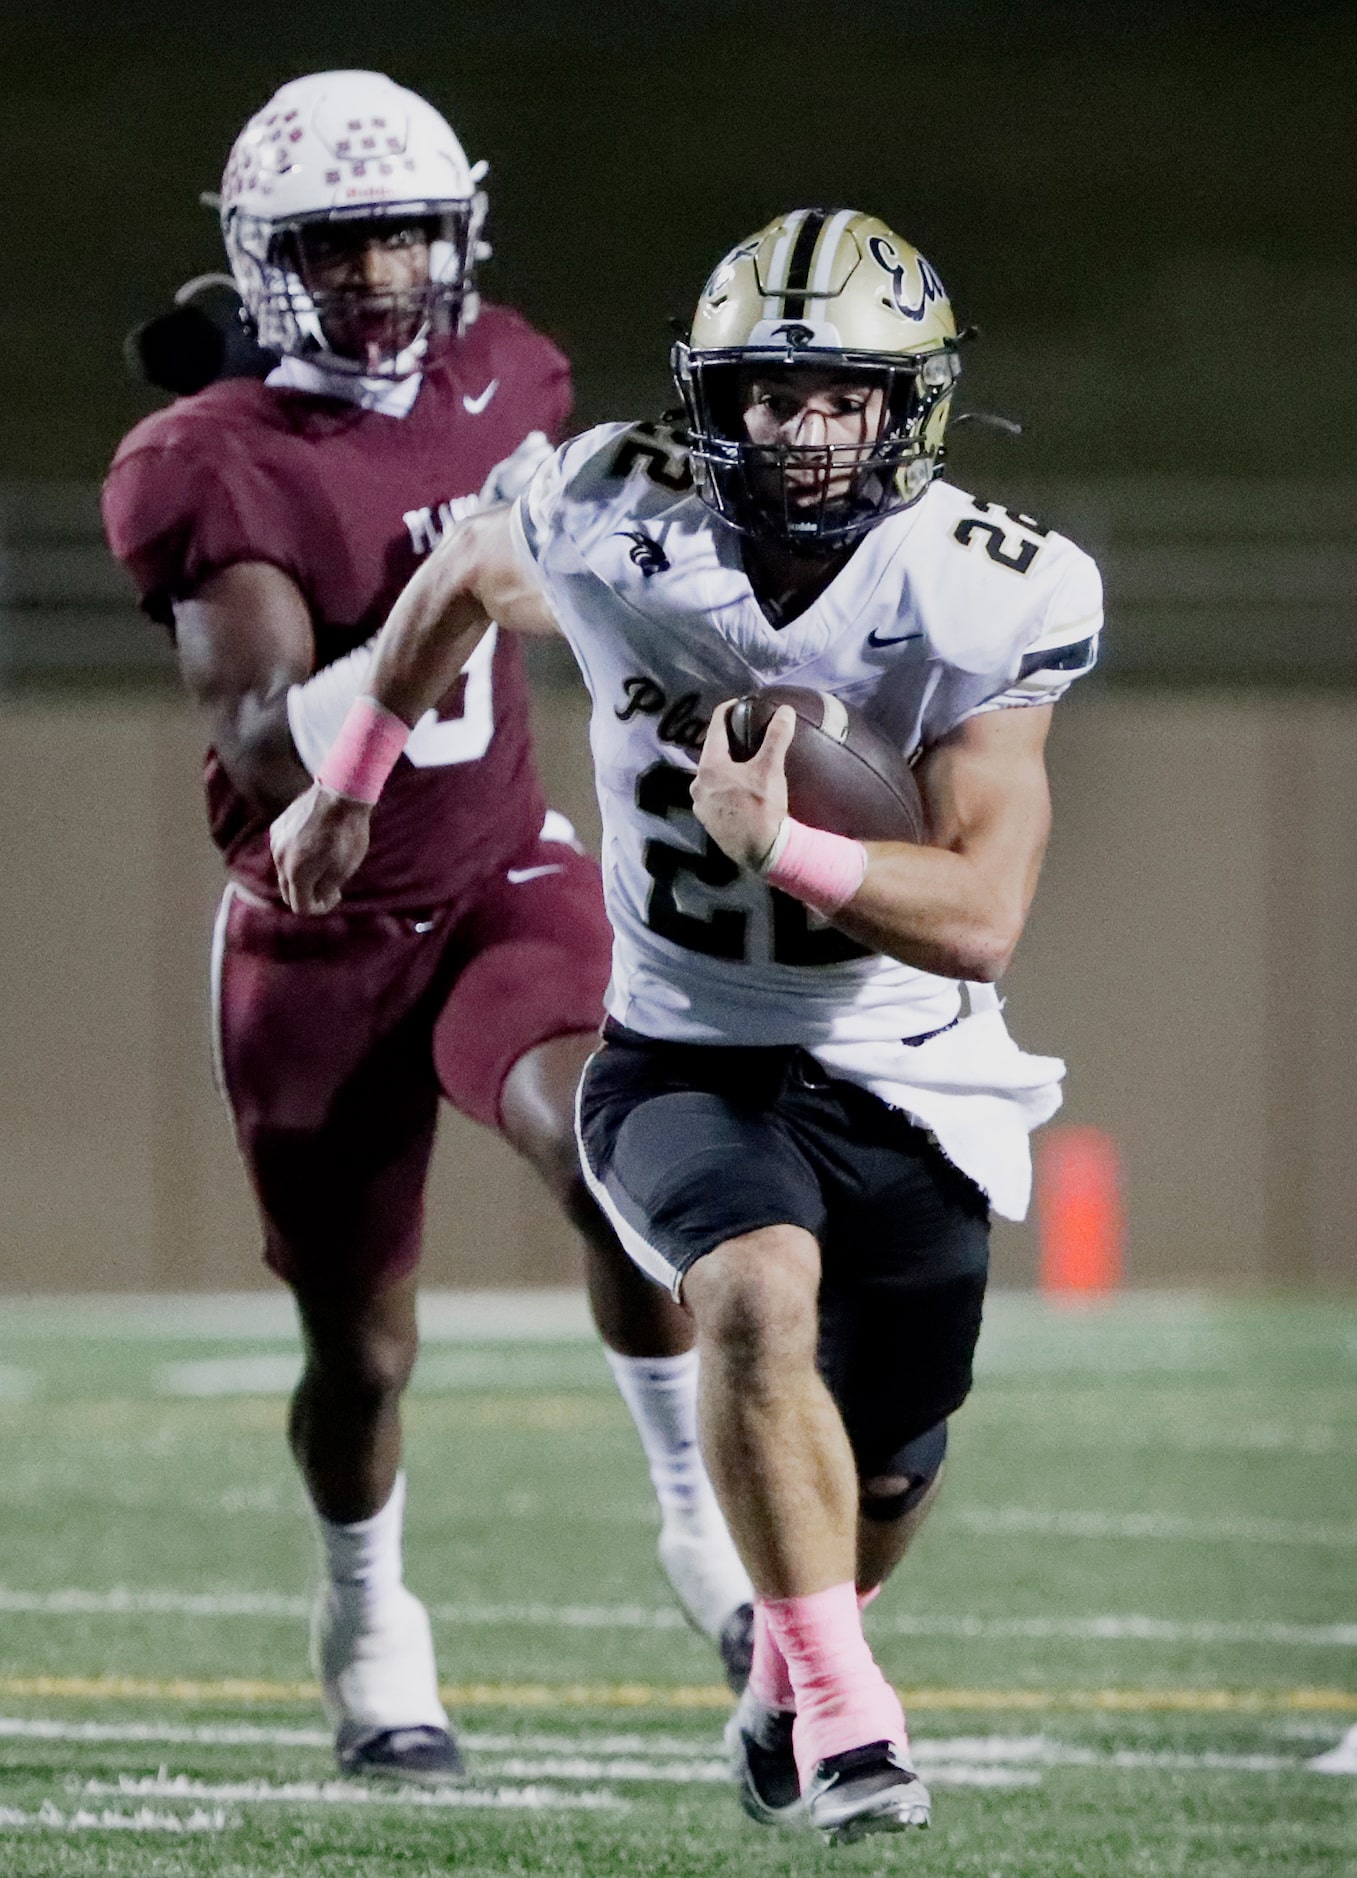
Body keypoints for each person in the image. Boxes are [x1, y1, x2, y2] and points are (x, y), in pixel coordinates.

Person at [270, 207, 1103, 1841]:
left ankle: (788, 1674)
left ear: (907, 407)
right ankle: (854, 1724)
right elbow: (454, 575)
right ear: (710, 397)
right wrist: (350, 781)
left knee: (890, 1465)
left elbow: (985, 911)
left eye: (839, 397)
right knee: (749, 1293)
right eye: (767, 395)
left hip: (904, 1064)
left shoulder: (981, 591)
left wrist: (779, 841)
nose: (798, 431)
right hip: (681, 1046)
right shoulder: (610, 510)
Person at [101, 68, 753, 1783]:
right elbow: (256, 737)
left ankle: (702, 1524)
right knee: (362, 1353)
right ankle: (370, 1609)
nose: (389, 274)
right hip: (314, 937)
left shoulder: (510, 371)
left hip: (496, 878)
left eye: (411, 233)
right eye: (342, 244)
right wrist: (436, 605)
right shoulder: (204, 463)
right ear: (266, 263)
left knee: (619, 1150)